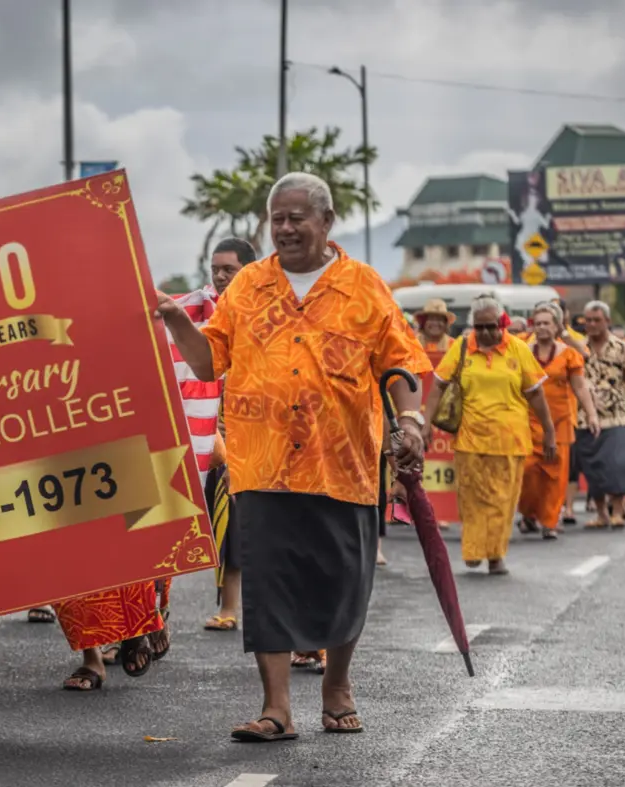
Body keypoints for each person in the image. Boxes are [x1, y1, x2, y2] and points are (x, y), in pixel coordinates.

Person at [158, 171, 428, 740]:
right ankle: (276, 708)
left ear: (326, 223)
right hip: (264, 463)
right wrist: (181, 322)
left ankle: (336, 686)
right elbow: (210, 363)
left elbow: (401, 362)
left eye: (295, 217)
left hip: (344, 464)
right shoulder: (249, 286)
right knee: (268, 584)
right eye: (276, 218)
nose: (284, 228)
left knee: (343, 579)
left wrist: (409, 419)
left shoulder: (364, 286)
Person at [424, 295, 555, 573]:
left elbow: (537, 394)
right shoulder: (461, 348)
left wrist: (550, 432)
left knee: (503, 502)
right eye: (479, 327)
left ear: (503, 323)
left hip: (511, 440)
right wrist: (426, 424)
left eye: (491, 326)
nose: (485, 333)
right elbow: (437, 385)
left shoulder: (518, 349)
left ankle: (495, 556)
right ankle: (474, 550)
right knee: (471, 499)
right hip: (470, 439)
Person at [176, 236, 256, 635]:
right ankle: (225, 606)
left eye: (230, 269)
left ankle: (279, 619)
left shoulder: (266, 312)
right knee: (225, 526)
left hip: (262, 435)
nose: (221, 277)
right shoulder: (197, 312)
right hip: (216, 437)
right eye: (216, 269)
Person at [518, 303, 599, 539]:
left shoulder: (569, 354)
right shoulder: (522, 350)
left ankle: (550, 521)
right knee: (527, 471)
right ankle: (529, 513)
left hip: (561, 422)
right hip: (527, 422)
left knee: (555, 474)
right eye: (539, 323)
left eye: (547, 323)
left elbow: (580, 386)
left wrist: (591, 414)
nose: (542, 327)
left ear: (556, 327)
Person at [574, 301, 625, 529]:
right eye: (588, 320)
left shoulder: (622, 349)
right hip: (585, 419)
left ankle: (618, 510)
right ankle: (601, 514)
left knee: (617, 463)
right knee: (594, 467)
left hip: (617, 417)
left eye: (597, 320)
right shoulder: (578, 350)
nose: (592, 324)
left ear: (607, 321)